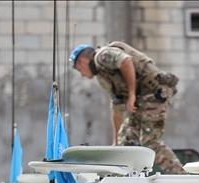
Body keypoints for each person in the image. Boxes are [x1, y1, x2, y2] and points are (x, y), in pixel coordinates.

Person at [70, 42, 185, 175]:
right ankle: (126, 179)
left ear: (82, 61)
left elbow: (126, 61)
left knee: (150, 142)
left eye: (79, 69)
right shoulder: (102, 76)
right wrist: (115, 142)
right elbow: (116, 107)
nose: (82, 75)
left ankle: (180, 175)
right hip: (140, 98)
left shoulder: (102, 56)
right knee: (125, 143)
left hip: (153, 92)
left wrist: (131, 95)